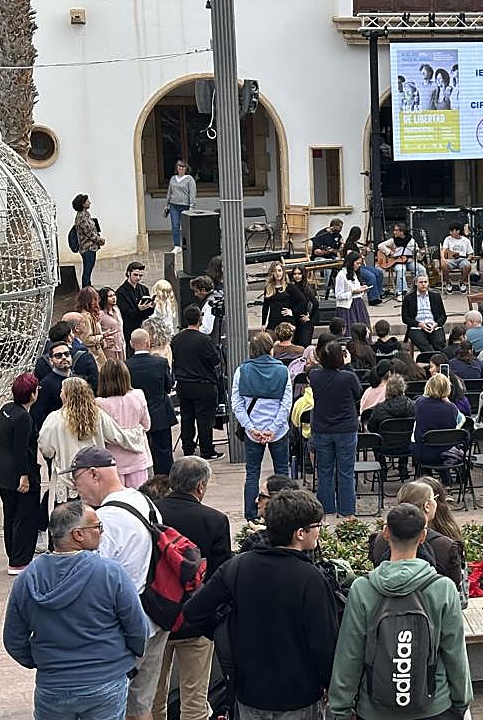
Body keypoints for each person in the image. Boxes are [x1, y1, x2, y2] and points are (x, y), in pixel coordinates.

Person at [184, 489, 339, 719]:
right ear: (300, 533)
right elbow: (324, 642)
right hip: (298, 695)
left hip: (250, 692)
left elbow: (194, 611)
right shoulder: (311, 578)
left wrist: (224, 632)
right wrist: (329, 682)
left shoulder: (237, 566)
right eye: (317, 526)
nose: (319, 531)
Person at [4, 500, 148, 719]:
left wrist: (44, 662)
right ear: (78, 534)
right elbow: (137, 628)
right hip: (105, 680)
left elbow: (13, 639)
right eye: (97, 527)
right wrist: (122, 659)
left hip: (53, 685)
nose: (101, 532)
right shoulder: (110, 573)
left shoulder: (27, 578)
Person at [332, 503, 473, 719]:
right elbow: (455, 653)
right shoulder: (442, 588)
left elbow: (350, 654)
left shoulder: (363, 588)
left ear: (385, 533)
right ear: (423, 536)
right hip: (434, 706)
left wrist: (339, 709)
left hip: (375, 710)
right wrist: (462, 702)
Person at [69, 447, 167, 720]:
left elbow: (92, 576)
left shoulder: (105, 520)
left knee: (114, 707)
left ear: (94, 474)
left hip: (124, 629)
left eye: (77, 479)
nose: (76, 487)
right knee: (141, 706)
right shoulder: (143, 500)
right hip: (155, 615)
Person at [150, 457, 231, 720]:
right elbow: (221, 575)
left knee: (153, 699)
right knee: (195, 702)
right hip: (196, 619)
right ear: (201, 486)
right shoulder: (215, 520)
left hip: (157, 617)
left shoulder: (151, 514)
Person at [37, 377, 146, 511]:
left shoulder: (55, 419)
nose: (60, 394)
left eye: (62, 391)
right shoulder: (97, 415)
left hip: (67, 477)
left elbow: (46, 448)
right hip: (94, 479)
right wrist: (137, 433)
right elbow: (117, 435)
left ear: (67, 395)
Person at [233, 332, 293, 519]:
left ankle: (252, 514)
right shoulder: (282, 370)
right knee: (282, 472)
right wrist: (273, 428)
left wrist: (250, 427)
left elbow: (237, 404)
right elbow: (286, 404)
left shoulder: (242, 371)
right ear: (270, 348)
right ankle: (285, 513)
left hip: (253, 430)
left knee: (252, 474)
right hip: (278, 431)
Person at [310, 341, 363, 517]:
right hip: (346, 428)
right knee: (346, 472)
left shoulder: (314, 375)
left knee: (324, 472)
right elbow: (358, 392)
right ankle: (347, 510)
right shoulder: (348, 377)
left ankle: (326, 509)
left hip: (322, 428)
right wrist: (347, 365)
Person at [0, 374, 40, 576]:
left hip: (3, 474)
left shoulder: (6, 409)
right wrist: (25, 476)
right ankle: (20, 560)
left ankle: (13, 555)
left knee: (10, 516)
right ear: (32, 395)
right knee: (25, 518)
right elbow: (21, 449)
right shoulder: (24, 418)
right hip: (19, 475)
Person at [170, 304, 223, 460]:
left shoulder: (177, 339)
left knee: (187, 418)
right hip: (203, 384)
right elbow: (215, 360)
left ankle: (188, 448)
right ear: (199, 319)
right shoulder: (204, 340)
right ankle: (207, 450)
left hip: (183, 384)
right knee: (204, 419)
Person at [94, 359, 154, 488]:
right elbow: (147, 425)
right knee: (139, 496)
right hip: (137, 456)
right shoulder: (138, 395)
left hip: (113, 461)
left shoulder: (98, 403)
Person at [125, 328, 176, 475]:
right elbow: (168, 386)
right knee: (164, 452)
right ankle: (165, 481)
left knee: (139, 452)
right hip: (160, 413)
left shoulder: (125, 366)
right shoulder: (160, 362)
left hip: (136, 417)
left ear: (131, 344)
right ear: (148, 342)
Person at [402, 273, 448, 353]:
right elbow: (405, 318)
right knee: (425, 346)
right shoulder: (408, 298)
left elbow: (443, 316)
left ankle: (437, 358)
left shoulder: (435, 296)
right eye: (421, 282)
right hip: (417, 327)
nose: (423, 284)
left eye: (425, 282)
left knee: (439, 344)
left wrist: (436, 324)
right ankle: (433, 358)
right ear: (416, 283)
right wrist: (419, 324)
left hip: (433, 326)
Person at [116, 261, 154, 349]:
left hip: (142, 327)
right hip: (129, 329)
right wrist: (139, 309)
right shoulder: (120, 292)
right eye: (135, 275)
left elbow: (148, 313)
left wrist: (151, 307)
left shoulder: (144, 289)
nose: (138, 278)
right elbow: (125, 313)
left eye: (140, 276)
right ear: (128, 273)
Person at [71, 193, 104, 288]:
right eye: (87, 201)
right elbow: (89, 233)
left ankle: (88, 287)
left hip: (90, 247)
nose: (89, 202)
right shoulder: (82, 217)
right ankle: (86, 289)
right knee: (87, 270)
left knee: (89, 269)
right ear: (83, 204)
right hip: (87, 248)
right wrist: (99, 240)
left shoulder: (86, 214)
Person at [261, 260, 304, 330]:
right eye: (275, 271)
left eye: (279, 270)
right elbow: (265, 307)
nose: (277, 273)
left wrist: (293, 312)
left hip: (287, 323)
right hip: (273, 322)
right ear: (272, 273)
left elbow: (303, 300)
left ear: (283, 272)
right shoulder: (268, 288)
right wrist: (263, 323)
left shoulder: (289, 286)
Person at [164, 158, 197, 250]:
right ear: (177, 167)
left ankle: (187, 245)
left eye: (183, 166)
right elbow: (169, 192)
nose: (181, 168)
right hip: (173, 205)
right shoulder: (173, 178)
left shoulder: (189, 179)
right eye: (179, 166)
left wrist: (192, 206)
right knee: (175, 226)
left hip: (185, 206)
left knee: (186, 227)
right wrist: (166, 204)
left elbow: (192, 193)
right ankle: (177, 246)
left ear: (186, 168)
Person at [440, 221, 475, 292]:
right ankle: (448, 282)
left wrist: (468, 259)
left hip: (462, 259)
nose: (450, 233)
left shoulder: (466, 240)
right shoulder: (448, 239)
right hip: (451, 259)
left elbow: (470, 253)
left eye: (452, 231)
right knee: (443, 265)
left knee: (468, 265)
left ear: (458, 231)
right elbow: (443, 250)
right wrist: (443, 258)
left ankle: (462, 282)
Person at [97, 286, 125, 363]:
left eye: (114, 295)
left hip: (121, 345)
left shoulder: (116, 309)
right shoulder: (101, 313)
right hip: (110, 348)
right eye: (110, 296)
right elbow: (96, 330)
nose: (113, 298)